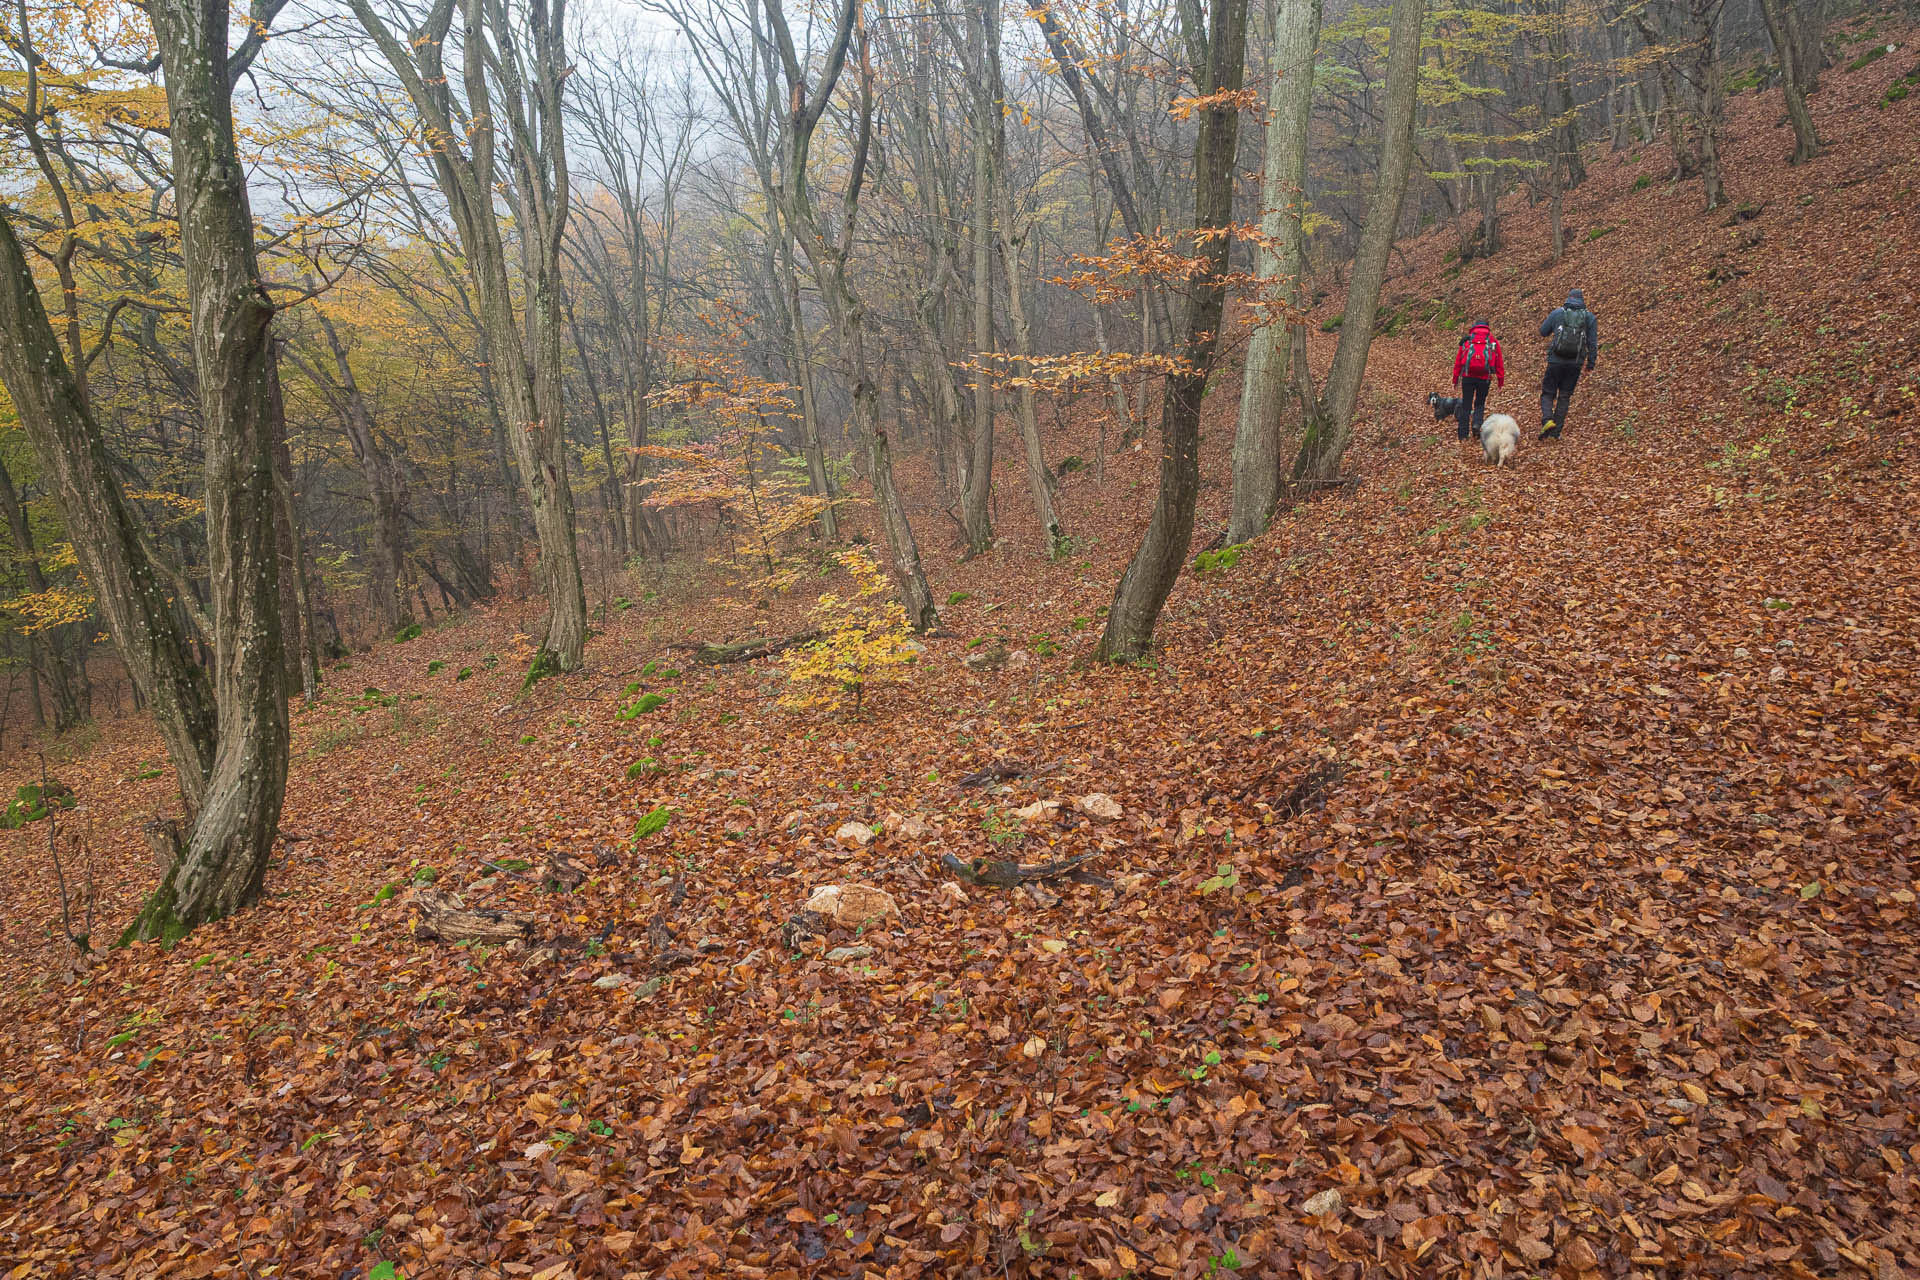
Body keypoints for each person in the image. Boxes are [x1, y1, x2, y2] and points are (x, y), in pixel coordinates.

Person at [1537, 289, 1598, 440]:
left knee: (1548, 392)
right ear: (1582, 300)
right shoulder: (1589, 317)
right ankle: (1555, 433)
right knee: (1564, 396)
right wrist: (1590, 364)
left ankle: (1547, 419)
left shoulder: (1558, 313)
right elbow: (1592, 343)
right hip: (1575, 363)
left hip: (1555, 360)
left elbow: (1543, 331)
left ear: (1568, 298)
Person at [1450, 318, 1504, 441]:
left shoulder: (1467, 340)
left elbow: (1458, 362)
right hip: (1484, 377)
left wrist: (1455, 380)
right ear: (1487, 327)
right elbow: (1499, 362)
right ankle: (1477, 424)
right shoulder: (1492, 341)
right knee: (1480, 403)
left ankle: (1463, 435)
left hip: (1468, 376)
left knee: (1466, 405)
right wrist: (1500, 381)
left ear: (1474, 327)